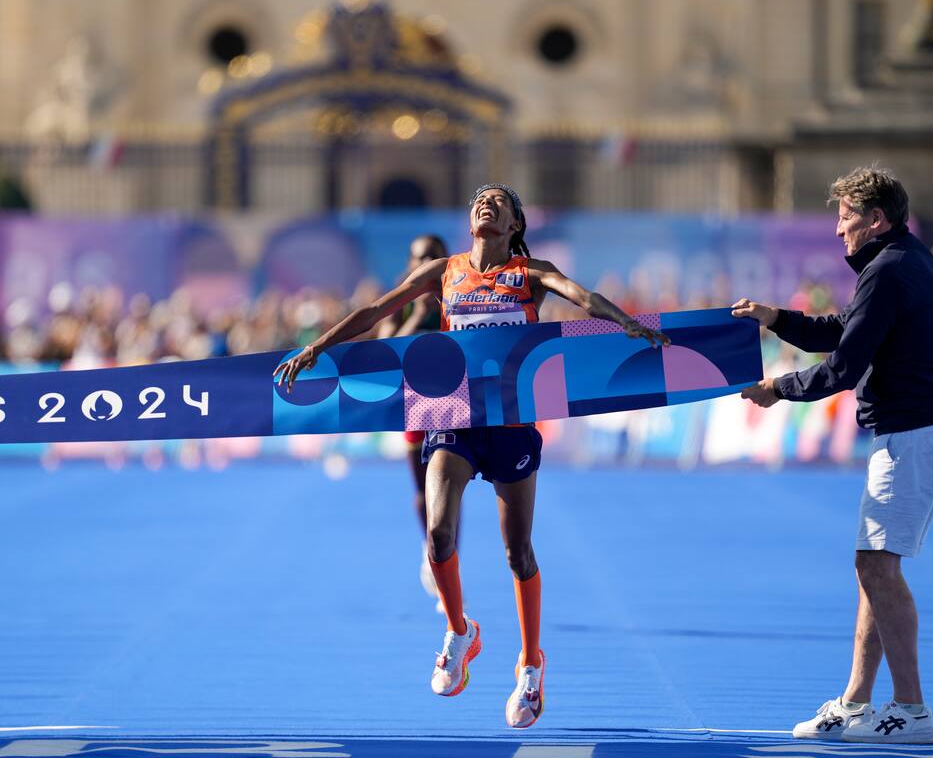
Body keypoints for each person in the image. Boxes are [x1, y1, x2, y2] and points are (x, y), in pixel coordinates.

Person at [276, 184, 668, 728]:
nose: (486, 204)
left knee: (518, 553)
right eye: (479, 200)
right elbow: (374, 310)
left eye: (498, 202)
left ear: (514, 225)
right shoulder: (444, 270)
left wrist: (623, 321)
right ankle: (460, 631)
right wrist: (318, 347)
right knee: (439, 534)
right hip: (453, 421)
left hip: (509, 425)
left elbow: (579, 296)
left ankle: (531, 663)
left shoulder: (531, 273)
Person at [732, 166, 933, 745]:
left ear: (875, 220)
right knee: (873, 569)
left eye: (845, 217)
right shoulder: (899, 261)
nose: (837, 230)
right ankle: (857, 702)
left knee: (877, 568)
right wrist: (774, 317)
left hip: (912, 435)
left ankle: (910, 709)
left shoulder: (889, 270)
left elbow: (843, 366)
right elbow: (840, 330)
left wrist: (777, 388)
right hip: (913, 431)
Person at [376, 234, 457, 615]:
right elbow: (383, 351)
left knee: (447, 487)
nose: (425, 262)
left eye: (433, 256)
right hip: (412, 402)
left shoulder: (458, 292)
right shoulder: (401, 299)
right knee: (423, 488)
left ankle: (445, 559)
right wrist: (415, 317)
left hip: (450, 400)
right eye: (419, 257)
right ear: (410, 264)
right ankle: (431, 551)